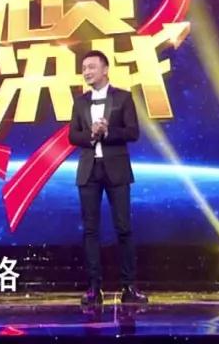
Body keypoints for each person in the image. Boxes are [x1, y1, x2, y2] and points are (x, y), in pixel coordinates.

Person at [68, 49, 149, 306]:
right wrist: (92, 134)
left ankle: (129, 288)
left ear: (105, 70)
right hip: (89, 170)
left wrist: (107, 131)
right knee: (90, 230)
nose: (87, 72)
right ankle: (94, 289)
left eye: (91, 67)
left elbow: (132, 132)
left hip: (116, 168)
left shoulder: (123, 97)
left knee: (123, 228)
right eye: (84, 68)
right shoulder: (80, 102)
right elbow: (73, 135)